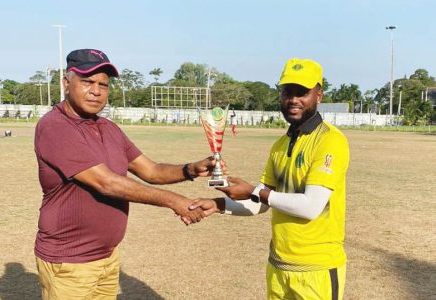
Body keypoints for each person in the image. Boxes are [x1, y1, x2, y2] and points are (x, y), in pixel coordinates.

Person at [34, 48, 219, 299]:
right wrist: (175, 202)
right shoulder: (55, 127)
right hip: (69, 263)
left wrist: (191, 169)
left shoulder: (108, 128)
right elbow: (106, 183)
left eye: (103, 84)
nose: (96, 91)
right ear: (67, 83)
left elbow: (151, 170)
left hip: (107, 257)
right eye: (87, 81)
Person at [191, 58, 349, 300]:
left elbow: (310, 207)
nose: (293, 99)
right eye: (287, 92)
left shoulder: (330, 141)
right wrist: (218, 204)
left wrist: (254, 190)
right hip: (278, 267)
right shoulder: (280, 145)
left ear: (319, 95)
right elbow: (261, 203)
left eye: (302, 92)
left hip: (316, 271)